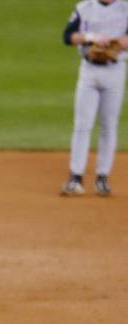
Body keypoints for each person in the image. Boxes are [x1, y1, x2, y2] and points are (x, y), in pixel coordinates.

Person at [61, 0, 128, 197]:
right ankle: (76, 177)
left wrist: (122, 41)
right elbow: (67, 37)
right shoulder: (84, 8)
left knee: (109, 125)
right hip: (89, 71)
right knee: (82, 124)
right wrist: (89, 37)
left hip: (115, 71)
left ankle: (102, 178)